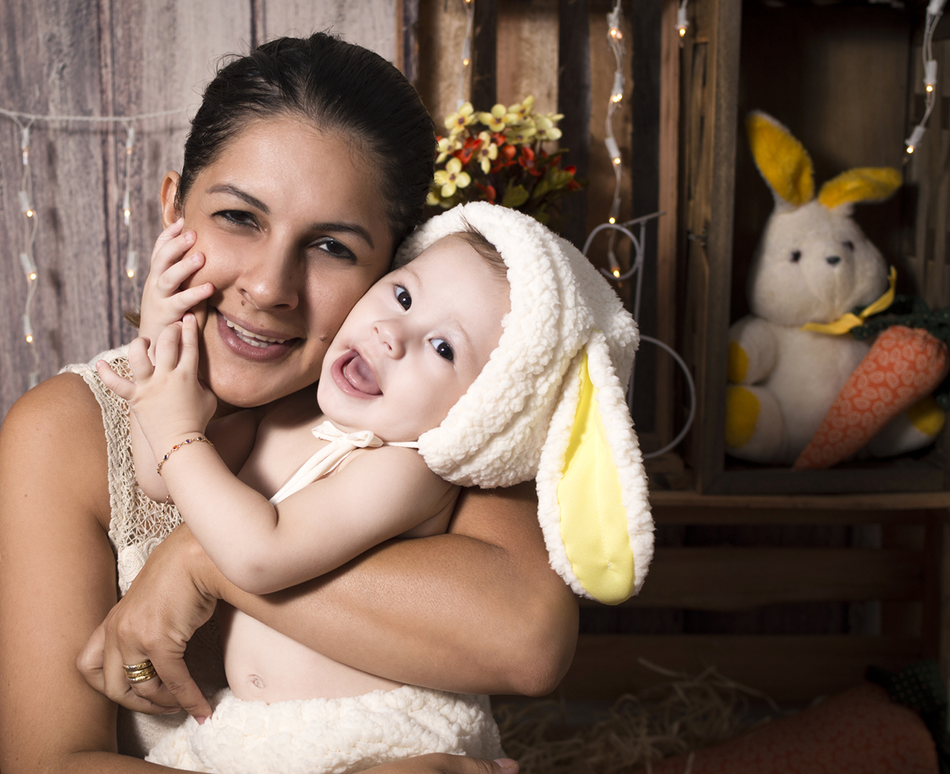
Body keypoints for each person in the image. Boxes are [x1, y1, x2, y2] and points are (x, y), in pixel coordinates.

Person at [0, 33, 581, 774]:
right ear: (174, 208)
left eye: (333, 247)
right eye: (240, 217)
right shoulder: (66, 430)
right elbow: (50, 764)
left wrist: (205, 561)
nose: (271, 287)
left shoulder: (435, 415)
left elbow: (529, 643)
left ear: (395, 262)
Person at [96, 198, 653, 774]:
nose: (392, 335)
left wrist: (180, 432)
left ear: (484, 414)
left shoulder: (405, 469)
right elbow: (161, 477)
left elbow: (260, 553)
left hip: (371, 742)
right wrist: (162, 340)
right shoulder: (290, 414)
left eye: (443, 348)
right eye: (403, 296)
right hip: (265, 733)